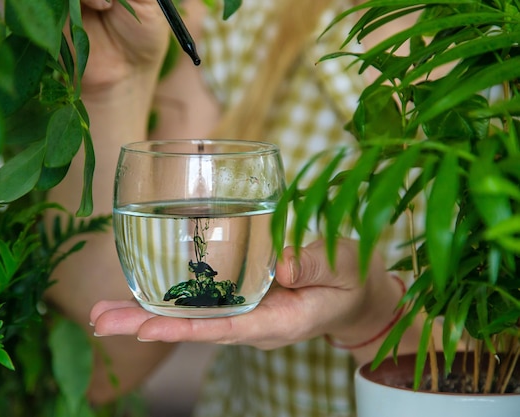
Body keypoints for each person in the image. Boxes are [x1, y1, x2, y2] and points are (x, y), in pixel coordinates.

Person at [46, 0, 432, 415]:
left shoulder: (501, 59)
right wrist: (111, 86)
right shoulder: (244, 23)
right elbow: (107, 369)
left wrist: (375, 313)